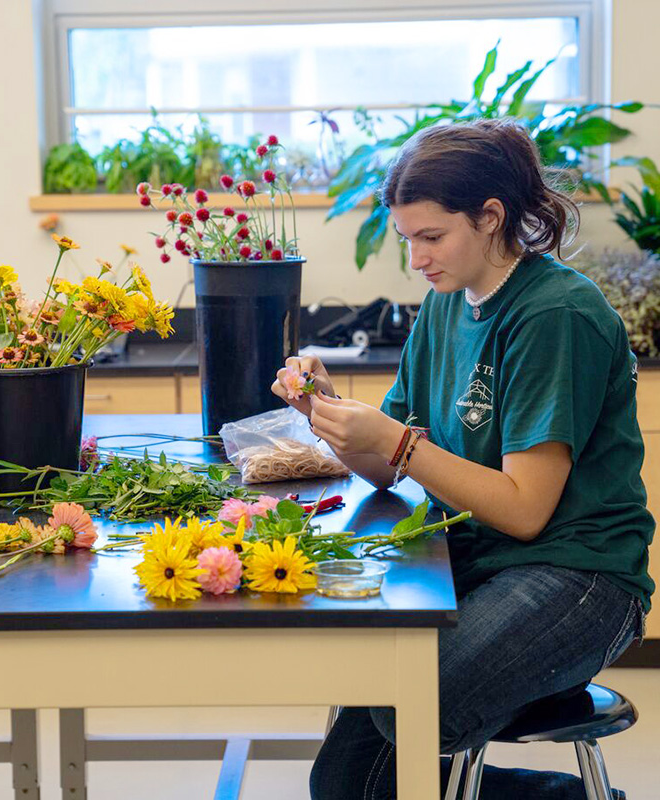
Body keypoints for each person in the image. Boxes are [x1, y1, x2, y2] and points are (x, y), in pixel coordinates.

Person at [271, 119, 654, 800]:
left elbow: (525, 510)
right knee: (342, 783)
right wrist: (328, 416)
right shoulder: (445, 306)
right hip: (476, 561)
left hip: (577, 577)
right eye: (406, 240)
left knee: (420, 703)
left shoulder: (553, 315)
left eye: (431, 237)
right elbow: (392, 468)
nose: (416, 259)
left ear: (490, 218)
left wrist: (395, 441)